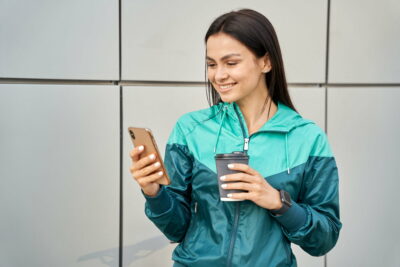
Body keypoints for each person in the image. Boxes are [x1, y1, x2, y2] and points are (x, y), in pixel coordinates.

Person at [130, 8, 341, 267]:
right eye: (211, 64)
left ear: (266, 62)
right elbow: (176, 229)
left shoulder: (308, 139)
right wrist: (153, 192)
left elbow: (324, 239)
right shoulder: (190, 129)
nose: (219, 75)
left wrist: (277, 201)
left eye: (231, 63)